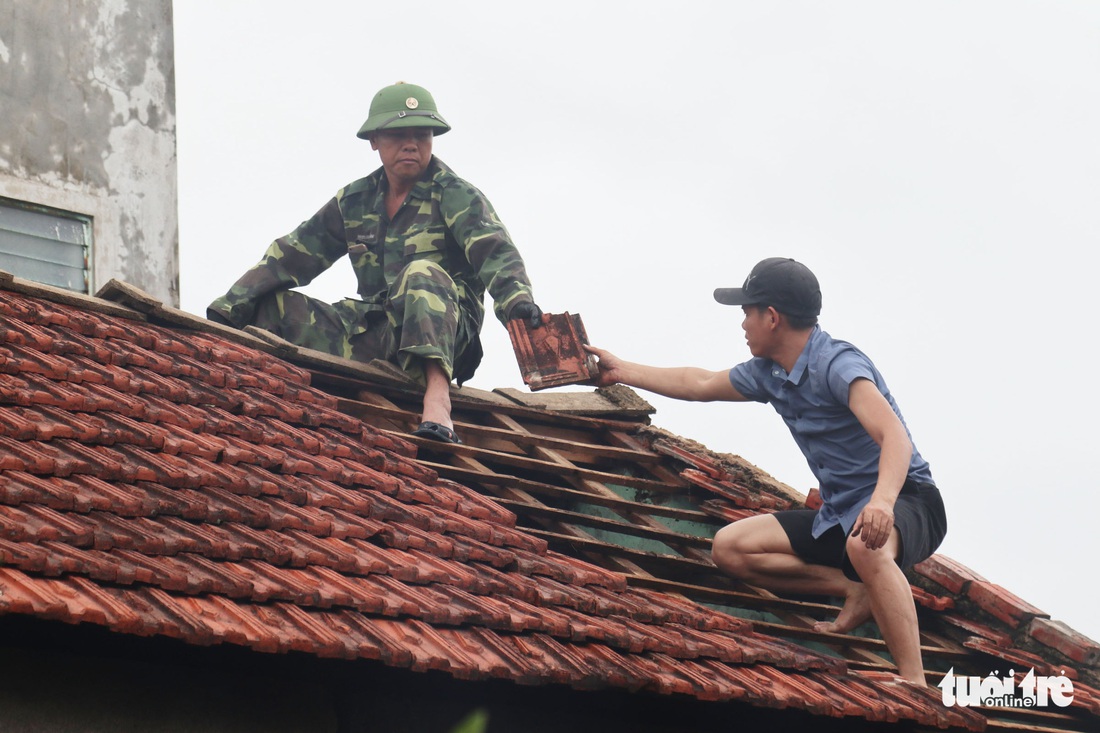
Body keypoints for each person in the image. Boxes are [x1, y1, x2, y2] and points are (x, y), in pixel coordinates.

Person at [585, 257, 946, 685]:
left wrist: (883, 503)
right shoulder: (769, 373)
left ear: (771, 317)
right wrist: (622, 370)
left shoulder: (837, 364)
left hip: (907, 499)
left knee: (865, 548)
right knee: (731, 547)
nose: (742, 324)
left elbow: (895, 437)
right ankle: (855, 587)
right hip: (843, 514)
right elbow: (698, 384)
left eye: (747, 313)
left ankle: (914, 679)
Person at [207, 82, 542, 444]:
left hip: (447, 335)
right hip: (379, 332)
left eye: (422, 134)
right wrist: (227, 309)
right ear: (375, 141)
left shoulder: (456, 195)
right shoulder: (354, 201)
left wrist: (517, 303)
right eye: (399, 135)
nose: (411, 144)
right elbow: (291, 253)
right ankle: (259, 403)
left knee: (421, 274)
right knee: (270, 305)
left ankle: (437, 401)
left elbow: (496, 252)